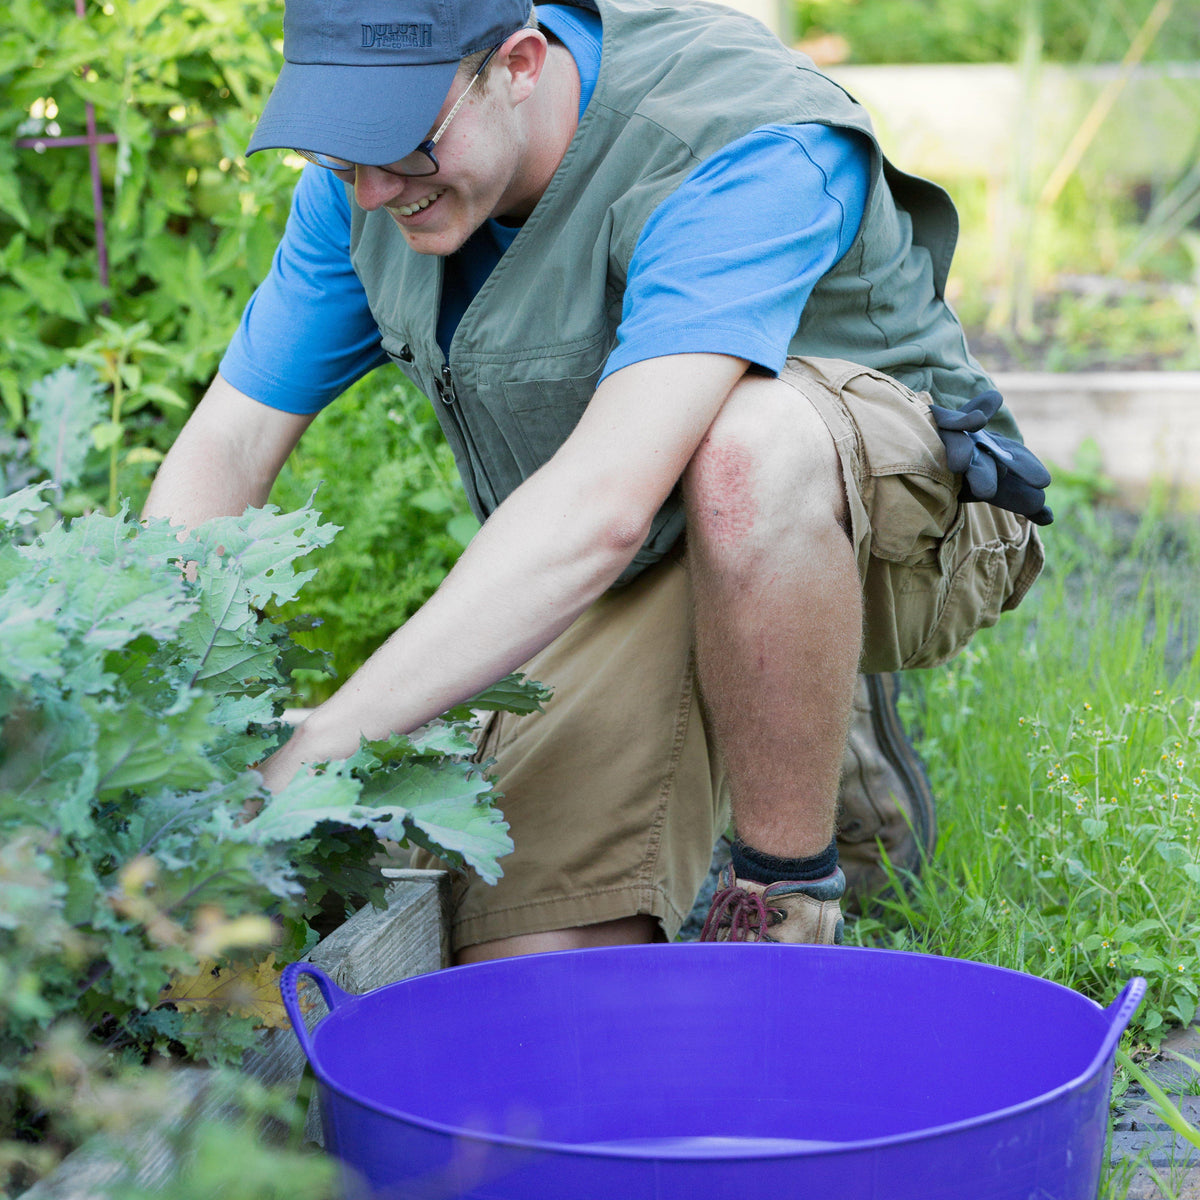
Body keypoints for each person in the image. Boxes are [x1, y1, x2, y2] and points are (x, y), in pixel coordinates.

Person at [144, 0, 1050, 957]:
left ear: (519, 63)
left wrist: (324, 741)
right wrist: (153, 682)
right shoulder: (364, 188)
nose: (370, 188)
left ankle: (783, 907)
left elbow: (600, 512)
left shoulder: (738, 145)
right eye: (340, 150)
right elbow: (231, 445)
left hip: (901, 527)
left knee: (748, 446)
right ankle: (793, 716)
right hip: (636, 538)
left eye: (401, 143)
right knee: (528, 960)